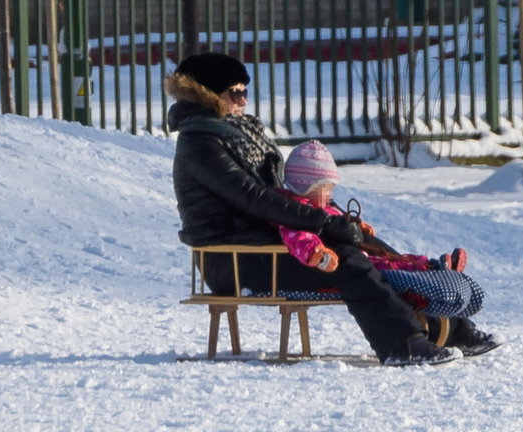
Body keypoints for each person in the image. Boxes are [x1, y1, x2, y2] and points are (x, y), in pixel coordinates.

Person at [167, 52, 458, 366]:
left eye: (245, 92)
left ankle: (455, 330)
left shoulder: (239, 135)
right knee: (348, 260)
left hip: (267, 247)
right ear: (207, 95)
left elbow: (281, 195)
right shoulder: (200, 144)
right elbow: (255, 199)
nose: (243, 101)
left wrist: (335, 219)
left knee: (365, 244)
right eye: (234, 93)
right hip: (236, 259)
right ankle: (404, 345)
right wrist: (323, 224)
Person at [278, 140, 504, 356]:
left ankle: (437, 286)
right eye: (324, 188)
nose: (329, 194)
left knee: (397, 265)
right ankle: (428, 273)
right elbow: (299, 239)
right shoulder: (296, 213)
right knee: (396, 278)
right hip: (333, 268)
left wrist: (358, 229)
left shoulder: (326, 208)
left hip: (361, 258)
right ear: (305, 186)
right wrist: (319, 254)